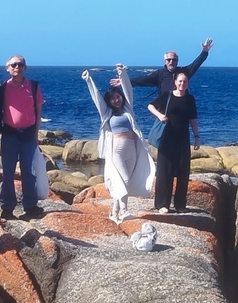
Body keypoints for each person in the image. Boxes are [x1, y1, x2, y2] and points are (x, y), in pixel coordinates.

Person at [82, 63, 156, 222]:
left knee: (126, 181)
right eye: (112, 98)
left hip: (132, 149)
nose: (116, 100)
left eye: (117, 96)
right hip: (117, 149)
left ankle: (114, 213)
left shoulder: (128, 109)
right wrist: (89, 80)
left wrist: (122, 73)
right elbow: (96, 99)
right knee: (124, 180)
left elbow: (128, 89)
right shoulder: (107, 114)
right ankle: (124, 211)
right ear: (108, 101)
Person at [0, 55, 45, 220]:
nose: (17, 67)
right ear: (7, 68)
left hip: (28, 135)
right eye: (13, 65)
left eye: (20, 64)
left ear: (25, 68)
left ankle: (30, 205)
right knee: (7, 173)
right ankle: (7, 207)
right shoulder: (2, 87)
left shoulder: (33, 86)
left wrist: (36, 134)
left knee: (28, 172)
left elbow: (38, 111)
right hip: (9, 135)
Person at [148, 71, 199, 213]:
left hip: (182, 139)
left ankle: (180, 205)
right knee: (165, 172)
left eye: (185, 81)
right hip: (166, 138)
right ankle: (162, 204)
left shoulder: (190, 99)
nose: (182, 84)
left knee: (183, 171)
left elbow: (193, 119)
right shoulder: (167, 95)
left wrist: (196, 137)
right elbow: (150, 106)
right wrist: (160, 115)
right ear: (175, 82)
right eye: (180, 81)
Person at [119, 39, 214, 97]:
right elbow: (142, 80)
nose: (171, 62)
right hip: (164, 112)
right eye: (168, 60)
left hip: (181, 110)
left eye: (174, 59)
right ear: (165, 61)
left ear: (177, 61)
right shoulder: (159, 74)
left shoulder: (184, 72)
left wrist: (204, 51)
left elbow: (197, 63)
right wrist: (124, 81)